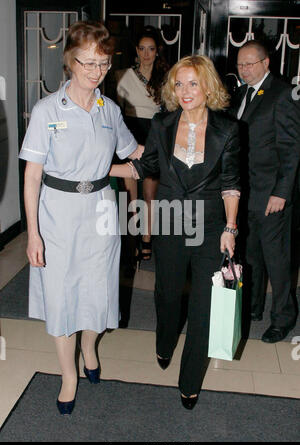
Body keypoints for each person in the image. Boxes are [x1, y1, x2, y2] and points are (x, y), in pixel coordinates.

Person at [19, 20, 143, 415]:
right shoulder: (46, 110)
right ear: (71, 60)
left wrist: (186, 141)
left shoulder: (109, 110)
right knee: (61, 296)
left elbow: (133, 155)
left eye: (104, 64)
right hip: (56, 216)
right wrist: (33, 234)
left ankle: (89, 347)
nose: (96, 72)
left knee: (98, 291)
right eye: (88, 63)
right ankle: (67, 376)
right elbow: (32, 176)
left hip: (101, 213)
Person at [110, 55, 241, 409]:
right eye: (179, 84)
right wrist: (100, 167)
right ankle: (164, 340)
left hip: (211, 227)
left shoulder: (228, 129)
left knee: (202, 307)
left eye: (193, 83)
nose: (185, 91)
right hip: (170, 223)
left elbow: (230, 183)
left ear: (208, 87)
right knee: (168, 295)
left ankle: (189, 379)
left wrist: (230, 228)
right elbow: (146, 165)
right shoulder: (162, 124)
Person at [232, 40, 300, 343]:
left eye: (250, 64)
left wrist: (281, 192)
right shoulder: (240, 94)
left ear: (265, 63)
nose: (244, 69)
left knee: (277, 259)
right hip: (245, 193)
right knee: (251, 256)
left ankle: (283, 318)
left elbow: (292, 148)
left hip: (272, 194)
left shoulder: (283, 94)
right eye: (240, 64)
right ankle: (254, 307)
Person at [115, 26, 169, 263]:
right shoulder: (121, 75)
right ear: (136, 51)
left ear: (157, 51)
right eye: (142, 49)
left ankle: (147, 239)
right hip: (129, 135)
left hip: (154, 137)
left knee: (150, 196)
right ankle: (132, 241)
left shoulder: (166, 77)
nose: (146, 53)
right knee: (131, 197)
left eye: (151, 49)